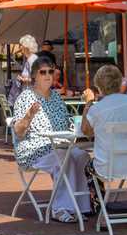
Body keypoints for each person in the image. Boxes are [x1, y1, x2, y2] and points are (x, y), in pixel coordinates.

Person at [11, 52, 90, 223]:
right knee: (64, 158)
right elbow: (18, 132)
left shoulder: (56, 97)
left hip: (59, 145)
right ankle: (60, 208)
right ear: (34, 76)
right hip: (33, 149)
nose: (48, 76)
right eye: (43, 72)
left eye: (50, 72)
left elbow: (66, 124)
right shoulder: (25, 98)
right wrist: (29, 116)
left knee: (81, 156)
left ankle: (79, 206)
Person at [80, 65, 127, 220]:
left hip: (107, 166)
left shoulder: (97, 109)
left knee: (88, 168)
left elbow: (86, 132)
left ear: (99, 86)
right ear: (119, 82)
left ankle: (100, 209)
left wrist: (88, 103)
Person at [9, 35, 40, 104]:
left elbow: (38, 79)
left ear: (26, 47)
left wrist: (23, 80)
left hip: (31, 97)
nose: (20, 47)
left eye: (21, 45)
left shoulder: (32, 59)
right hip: (27, 95)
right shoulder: (29, 59)